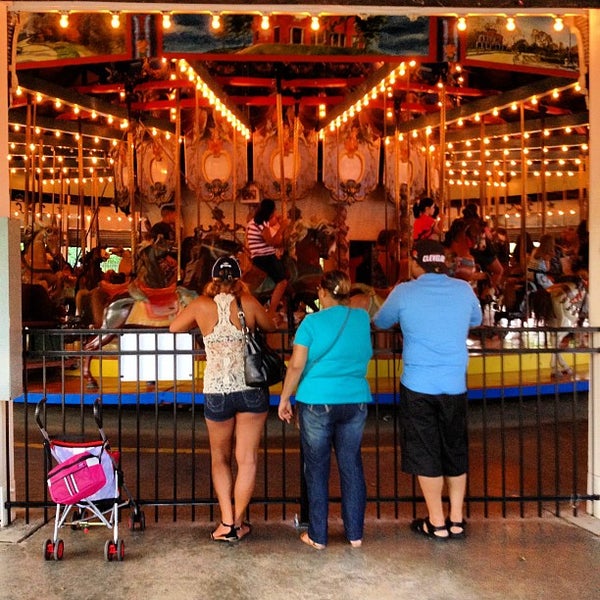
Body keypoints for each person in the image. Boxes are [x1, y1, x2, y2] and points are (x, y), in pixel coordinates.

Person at [373, 240, 482, 541]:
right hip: (454, 383)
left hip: (418, 384)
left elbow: (380, 321)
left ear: (417, 262)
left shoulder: (405, 291)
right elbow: (477, 319)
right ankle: (457, 519)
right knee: (454, 448)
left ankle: (436, 521)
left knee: (426, 452)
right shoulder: (463, 289)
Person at [169, 256, 276, 543]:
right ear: (239, 278)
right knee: (247, 459)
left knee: (220, 459)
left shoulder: (201, 306)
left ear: (213, 278)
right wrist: (249, 301)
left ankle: (226, 522)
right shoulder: (249, 303)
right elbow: (271, 324)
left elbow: (174, 328)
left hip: (217, 390)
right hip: (251, 389)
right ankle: (238, 524)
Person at [278, 270, 373, 550]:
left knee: (317, 468)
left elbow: (296, 365)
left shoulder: (311, 322)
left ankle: (318, 536)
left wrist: (285, 398)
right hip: (354, 401)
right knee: (351, 465)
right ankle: (355, 534)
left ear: (321, 292)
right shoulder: (360, 318)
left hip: (317, 401)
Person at [246, 198, 289, 320]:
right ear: (270, 212)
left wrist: (277, 221)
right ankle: (272, 310)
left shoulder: (253, 222)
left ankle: (284, 308)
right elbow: (272, 242)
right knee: (283, 281)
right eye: (274, 211)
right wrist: (282, 228)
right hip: (265, 257)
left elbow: (270, 224)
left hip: (259, 257)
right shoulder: (261, 225)